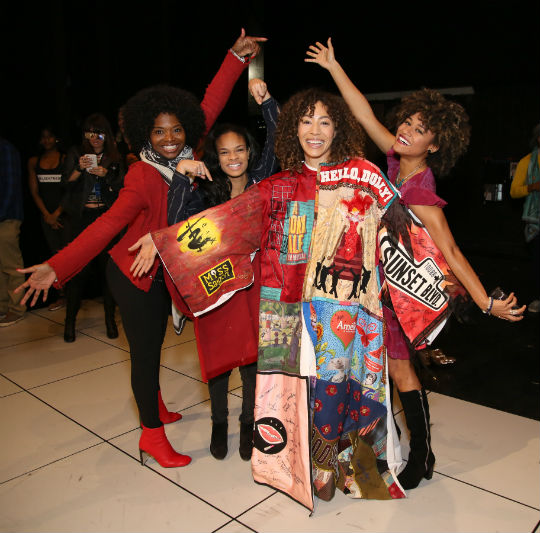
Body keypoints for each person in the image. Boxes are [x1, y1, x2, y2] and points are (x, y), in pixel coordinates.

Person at [148, 86, 448, 509]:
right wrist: (165, 244)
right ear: (293, 129)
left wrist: (449, 293)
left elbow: (405, 236)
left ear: (338, 129)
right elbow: (224, 224)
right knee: (299, 396)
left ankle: (347, 470)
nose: (315, 130)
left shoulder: (363, 178)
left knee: (344, 392)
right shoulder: (278, 186)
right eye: (306, 120)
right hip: (287, 311)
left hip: (346, 315)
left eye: (325, 121)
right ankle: (308, 467)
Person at [14, 29, 267, 470]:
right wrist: (57, 267)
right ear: (143, 135)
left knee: (159, 352)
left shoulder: (189, 152)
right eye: (158, 132)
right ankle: (152, 435)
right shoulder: (141, 177)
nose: (170, 138)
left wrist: (234, 57)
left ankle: (156, 407)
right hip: (134, 276)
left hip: (167, 268)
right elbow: (108, 226)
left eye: (176, 130)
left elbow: (210, 100)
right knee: (147, 355)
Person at [305, 37, 526, 490]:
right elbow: (365, 113)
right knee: (380, 369)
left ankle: (422, 454)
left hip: (400, 296)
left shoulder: (421, 192)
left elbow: (452, 252)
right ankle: (397, 442)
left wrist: (486, 303)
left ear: (436, 144)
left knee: (402, 370)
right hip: (373, 286)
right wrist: (333, 67)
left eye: (419, 129)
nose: (405, 129)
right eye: (406, 120)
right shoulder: (395, 160)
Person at [195, 77, 280, 461]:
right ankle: (218, 422)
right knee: (218, 360)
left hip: (256, 285)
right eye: (225, 152)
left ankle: (248, 422)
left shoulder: (261, 183)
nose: (234, 157)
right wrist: (183, 173)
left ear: (249, 152)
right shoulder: (205, 192)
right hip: (217, 288)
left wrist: (266, 102)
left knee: (250, 359)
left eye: (240, 149)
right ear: (217, 156)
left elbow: (278, 135)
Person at [60, 112, 124, 342]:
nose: (95, 137)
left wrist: (107, 175)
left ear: (106, 135)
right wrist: (79, 169)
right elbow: (64, 182)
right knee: (78, 272)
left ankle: (109, 320)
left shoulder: (114, 157)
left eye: (99, 133)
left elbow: (123, 188)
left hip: (106, 219)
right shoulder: (76, 153)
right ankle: (69, 323)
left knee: (109, 272)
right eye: (91, 132)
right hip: (81, 220)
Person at [27, 125, 68, 311]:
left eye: (50, 136)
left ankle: (73, 295)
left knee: (69, 254)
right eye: (43, 137)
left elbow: (70, 190)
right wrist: (47, 215)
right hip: (47, 217)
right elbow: (34, 192)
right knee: (54, 256)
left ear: (56, 138)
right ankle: (61, 295)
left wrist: (58, 213)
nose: (46, 141)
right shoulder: (34, 162)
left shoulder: (65, 159)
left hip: (65, 215)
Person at [510, 122, 539, 313]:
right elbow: (514, 192)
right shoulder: (527, 162)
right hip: (535, 222)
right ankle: (537, 299)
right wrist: (532, 187)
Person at [0, 136, 26, 327]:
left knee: (11, 265)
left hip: (7, 217)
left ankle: (16, 309)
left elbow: (10, 187)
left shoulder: (6, 149)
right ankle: (3, 307)